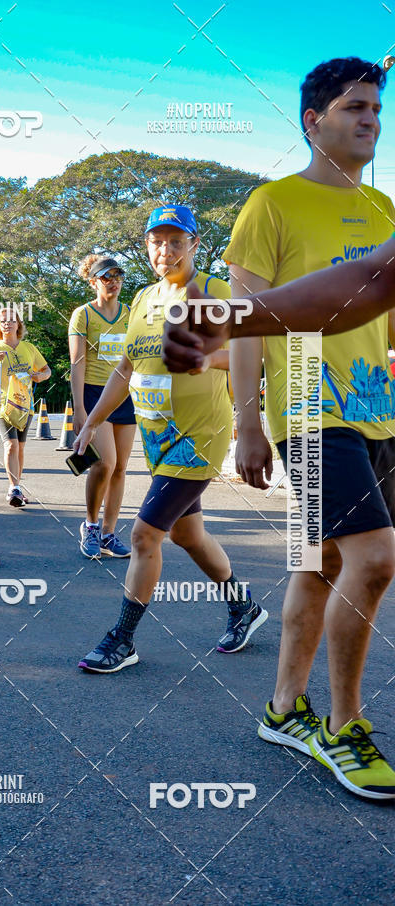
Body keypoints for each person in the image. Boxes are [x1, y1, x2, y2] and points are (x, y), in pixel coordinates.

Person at [164, 58, 395, 801]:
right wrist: (248, 424)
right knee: (375, 558)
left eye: (376, 108)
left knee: (319, 563)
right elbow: (245, 326)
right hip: (309, 409)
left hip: (378, 409)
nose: (371, 119)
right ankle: (344, 726)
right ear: (312, 121)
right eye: (355, 107)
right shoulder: (271, 203)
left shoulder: (386, 208)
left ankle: (283, 711)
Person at [75, 204, 266, 673]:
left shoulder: (216, 292)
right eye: (157, 241)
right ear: (147, 246)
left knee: (144, 535)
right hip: (157, 437)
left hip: (199, 435)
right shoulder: (143, 298)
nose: (165, 250)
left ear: (195, 244)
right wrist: (92, 421)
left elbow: (251, 354)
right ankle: (244, 607)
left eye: (176, 241)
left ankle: (123, 640)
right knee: (187, 533)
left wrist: (209, 360)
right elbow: (126, 368)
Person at [68, 255, 136, 558]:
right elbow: (77, 363)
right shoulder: (83, 315)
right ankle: (91, 525)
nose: (113, 281)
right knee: (104, 463)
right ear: (93, 282)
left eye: (117, 275)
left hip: (126, 395)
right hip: (95, 394)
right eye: (106, 277)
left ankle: (109, 533)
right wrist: (79, 410)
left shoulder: (131, 314)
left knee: (120, 468)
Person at [0, 306, 51, 507]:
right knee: (11, 445)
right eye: (3, 321)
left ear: (18, 324)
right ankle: (14, 488)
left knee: (20, 447)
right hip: (3, 405)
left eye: (11, 320)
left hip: (25, 405)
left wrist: (40, 376)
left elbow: (46, 370)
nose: (7, 323)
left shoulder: (29, 348)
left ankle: (16, 486)